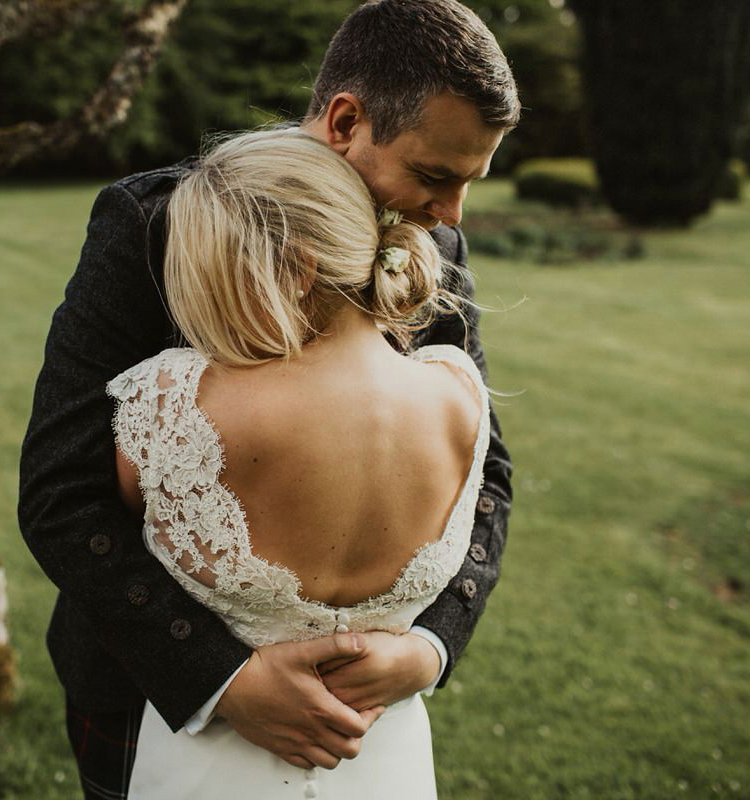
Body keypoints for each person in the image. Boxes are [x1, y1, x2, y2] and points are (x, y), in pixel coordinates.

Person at [18, 1, 518, 797]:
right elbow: (60, 491)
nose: (451, 215)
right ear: (347, 119)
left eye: (468, 181)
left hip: (367, 728)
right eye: (434, 175)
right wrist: (220, 679)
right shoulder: (156, 223)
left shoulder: (439, 247)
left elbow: (485, 476)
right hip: (147, 690)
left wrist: (430, 647)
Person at [115, 127, 493, 799]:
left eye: (214, 272)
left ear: (294, 269)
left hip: (211, 766)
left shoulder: (170, 403)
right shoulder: (457, 392)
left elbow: (104, 512)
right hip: (381, 756)